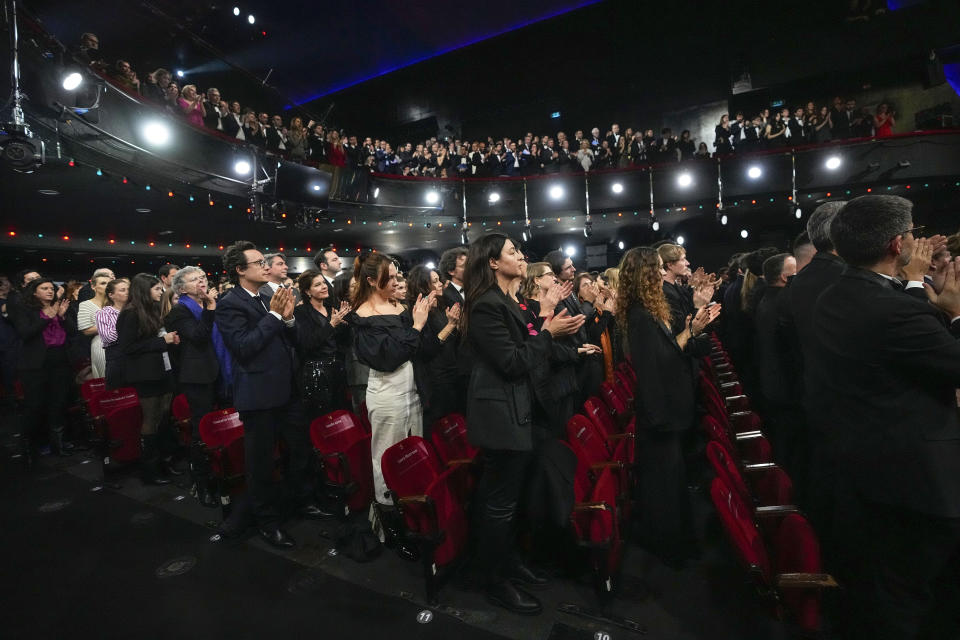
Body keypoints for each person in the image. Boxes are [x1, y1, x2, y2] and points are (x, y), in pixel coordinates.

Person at [808, 195, 960, 640]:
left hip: (868, 470)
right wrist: (954, 312)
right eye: (912, 234)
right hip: (913, 482)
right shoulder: (889, 308)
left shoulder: (838, 294)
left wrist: (918, 289)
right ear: (898, 244)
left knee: (893, 593)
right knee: (910, 601)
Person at [463, 233, 585, 614]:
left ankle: (510, 561)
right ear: (493, 262)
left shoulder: (509, 300)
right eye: (512, 251)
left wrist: (545, 319)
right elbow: (513, 361)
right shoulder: (485, 305)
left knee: (514, 499)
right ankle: (493, 579)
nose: (520, 255)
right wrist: (549, 332)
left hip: (523, 409)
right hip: (501, 414)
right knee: (499, 503)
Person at [616, 247, 720, 565]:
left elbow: (671, 352)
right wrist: (691, 331)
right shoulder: (639, 314)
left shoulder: (649, 309)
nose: (663, 273)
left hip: (667, 408)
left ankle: (675, 542)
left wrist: (694, 329)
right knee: (662, 484)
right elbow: (654, 366)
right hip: (658, 412)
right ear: (647, 274)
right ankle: (668, 547)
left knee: (671, 481)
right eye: (658, 268)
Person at [216, 241, 321, 548]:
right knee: (261, 464)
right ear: (240, 270)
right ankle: (267, 522)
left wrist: (287, 318)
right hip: (258, 394)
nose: (266, 266)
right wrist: (275, 317)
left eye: (265, 261)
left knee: (298, 450)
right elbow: (244, 347)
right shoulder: (229, 303)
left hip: (286, 389)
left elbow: (293, 341)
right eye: (259, 262)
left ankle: (300, 502)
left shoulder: (266, 297)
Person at [347, 254, 435, 559]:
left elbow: (418, 350)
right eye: (391, 277)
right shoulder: (363, 316)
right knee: (385, 459)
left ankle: (414, 519)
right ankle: (390, 526)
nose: (398, 282)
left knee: (414, 455)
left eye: (398, 275)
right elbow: (387, 359)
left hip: (413, 391)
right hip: (387, 395)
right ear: (372, 280)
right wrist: (417, 327)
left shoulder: (400, 308)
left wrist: (424, 324)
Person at [164, 266, 230, 508]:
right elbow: (199, 336)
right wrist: (211, 310)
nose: (202, 281)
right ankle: (202, 483)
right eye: (195, 280)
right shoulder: (179, 311)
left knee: (222, 426)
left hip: (218, 371)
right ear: (181, 288)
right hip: (197, 378)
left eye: (203, 277)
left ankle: (221, 474)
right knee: (201, 431)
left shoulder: (208, 304)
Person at [115, 274, 180, 485]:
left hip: (163, 369)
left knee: (164, 417)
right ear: (144, 290)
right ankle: (149, 470)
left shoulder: (151, 309)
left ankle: (164, 462)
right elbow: (127, 348)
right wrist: (162, 341)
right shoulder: (131, 314)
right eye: (157, 289)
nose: (162, 292)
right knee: (151, 419)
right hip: (145, 374)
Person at [10, 278, 76, 459]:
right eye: (44, 288)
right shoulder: (25, 309)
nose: (49, 291)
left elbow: (72, 331)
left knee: (59, 403)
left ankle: (58, 445)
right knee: (35, 405)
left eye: (51, 288)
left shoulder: (59, 307)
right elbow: (26, 333)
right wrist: (48, 317)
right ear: (34, 292)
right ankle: (28, 446)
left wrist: (62, 316)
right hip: (35, 365)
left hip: (60, 361)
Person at [294, 269, 351, 422]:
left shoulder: (332, 308)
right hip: (316, 372)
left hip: (337, 369)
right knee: (322, 418)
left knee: (340, 414)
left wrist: (344, 323)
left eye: (324, 283)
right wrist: (332, 324)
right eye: (317, 285)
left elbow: (342, 341)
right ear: (307, 291)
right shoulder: (301, 312)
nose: (324, 286)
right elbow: (308, 342)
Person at [77, 272, 111, 378]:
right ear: (93, 286)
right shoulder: (86, 304)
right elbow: (86, 330)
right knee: (105, 378)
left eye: (109, 283)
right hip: (101, 345)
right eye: (103, 283)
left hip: (121, 344)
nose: (107, 286)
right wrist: (112, 325)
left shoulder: (118, 303)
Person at [97, 278, 129, 389]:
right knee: (118, 394)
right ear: (111, 295)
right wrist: (128, 327)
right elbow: (108, 337)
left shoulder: (135, 310)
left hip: (135, 355)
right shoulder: (104, 313)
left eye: (128, 289)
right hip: (117, 357)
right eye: (122, 290)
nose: (127, 292)